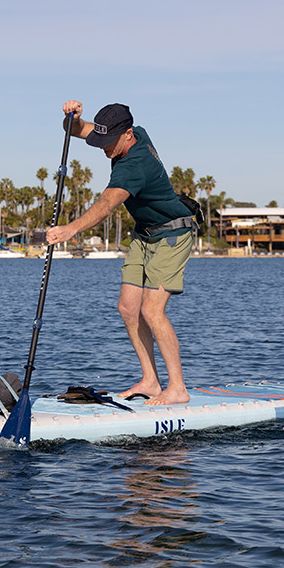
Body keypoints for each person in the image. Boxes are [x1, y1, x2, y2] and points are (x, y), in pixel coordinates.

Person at [46, 100, 197, 405]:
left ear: (127, 135)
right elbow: (75, 131)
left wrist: (70, 230)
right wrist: (72, 117)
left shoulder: (134, 166)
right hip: (143, 234)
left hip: (173, 235)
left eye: (108, 143)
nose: (103, 149)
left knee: (152, 311)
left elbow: (106, 205)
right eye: (101, 141)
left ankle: (178, 388)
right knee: (128, 308)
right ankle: (151, 382)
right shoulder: (131, 132)